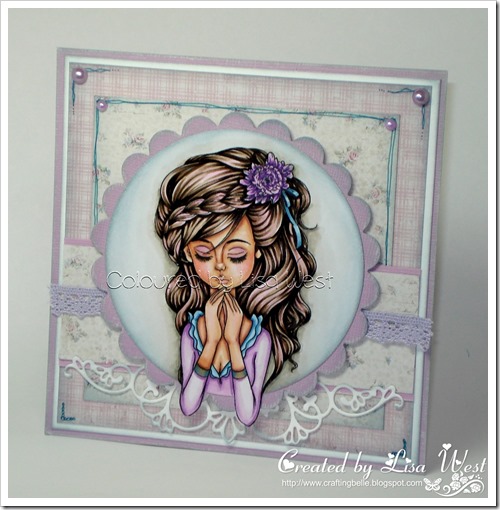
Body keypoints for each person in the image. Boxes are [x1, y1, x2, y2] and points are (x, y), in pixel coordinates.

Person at [155, 147, 316, 426]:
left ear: (258, 250)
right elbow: (188, 406)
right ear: (188, 254)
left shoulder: (260, 339)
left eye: (236, 255)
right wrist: (210, 344)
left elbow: (247, 414)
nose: (219, 266)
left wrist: (232, 344)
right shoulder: (193, 333)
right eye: (203, 254)